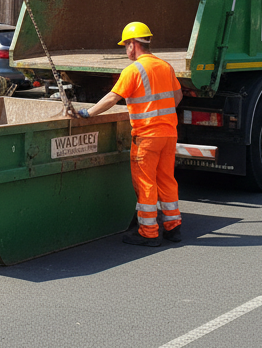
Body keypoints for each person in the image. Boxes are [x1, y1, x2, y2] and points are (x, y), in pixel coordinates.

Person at [67, 21, 184, 247]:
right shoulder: (166, 66)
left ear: (132, 44)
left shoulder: (133, 70)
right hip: (168, 134)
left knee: (145, 182)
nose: (125, 50)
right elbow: (177, 98)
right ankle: (173, 227)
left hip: (147, 137)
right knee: (167, 179)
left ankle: (149, 232)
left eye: (125, 46)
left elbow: (112, 98)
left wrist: (88, 113)